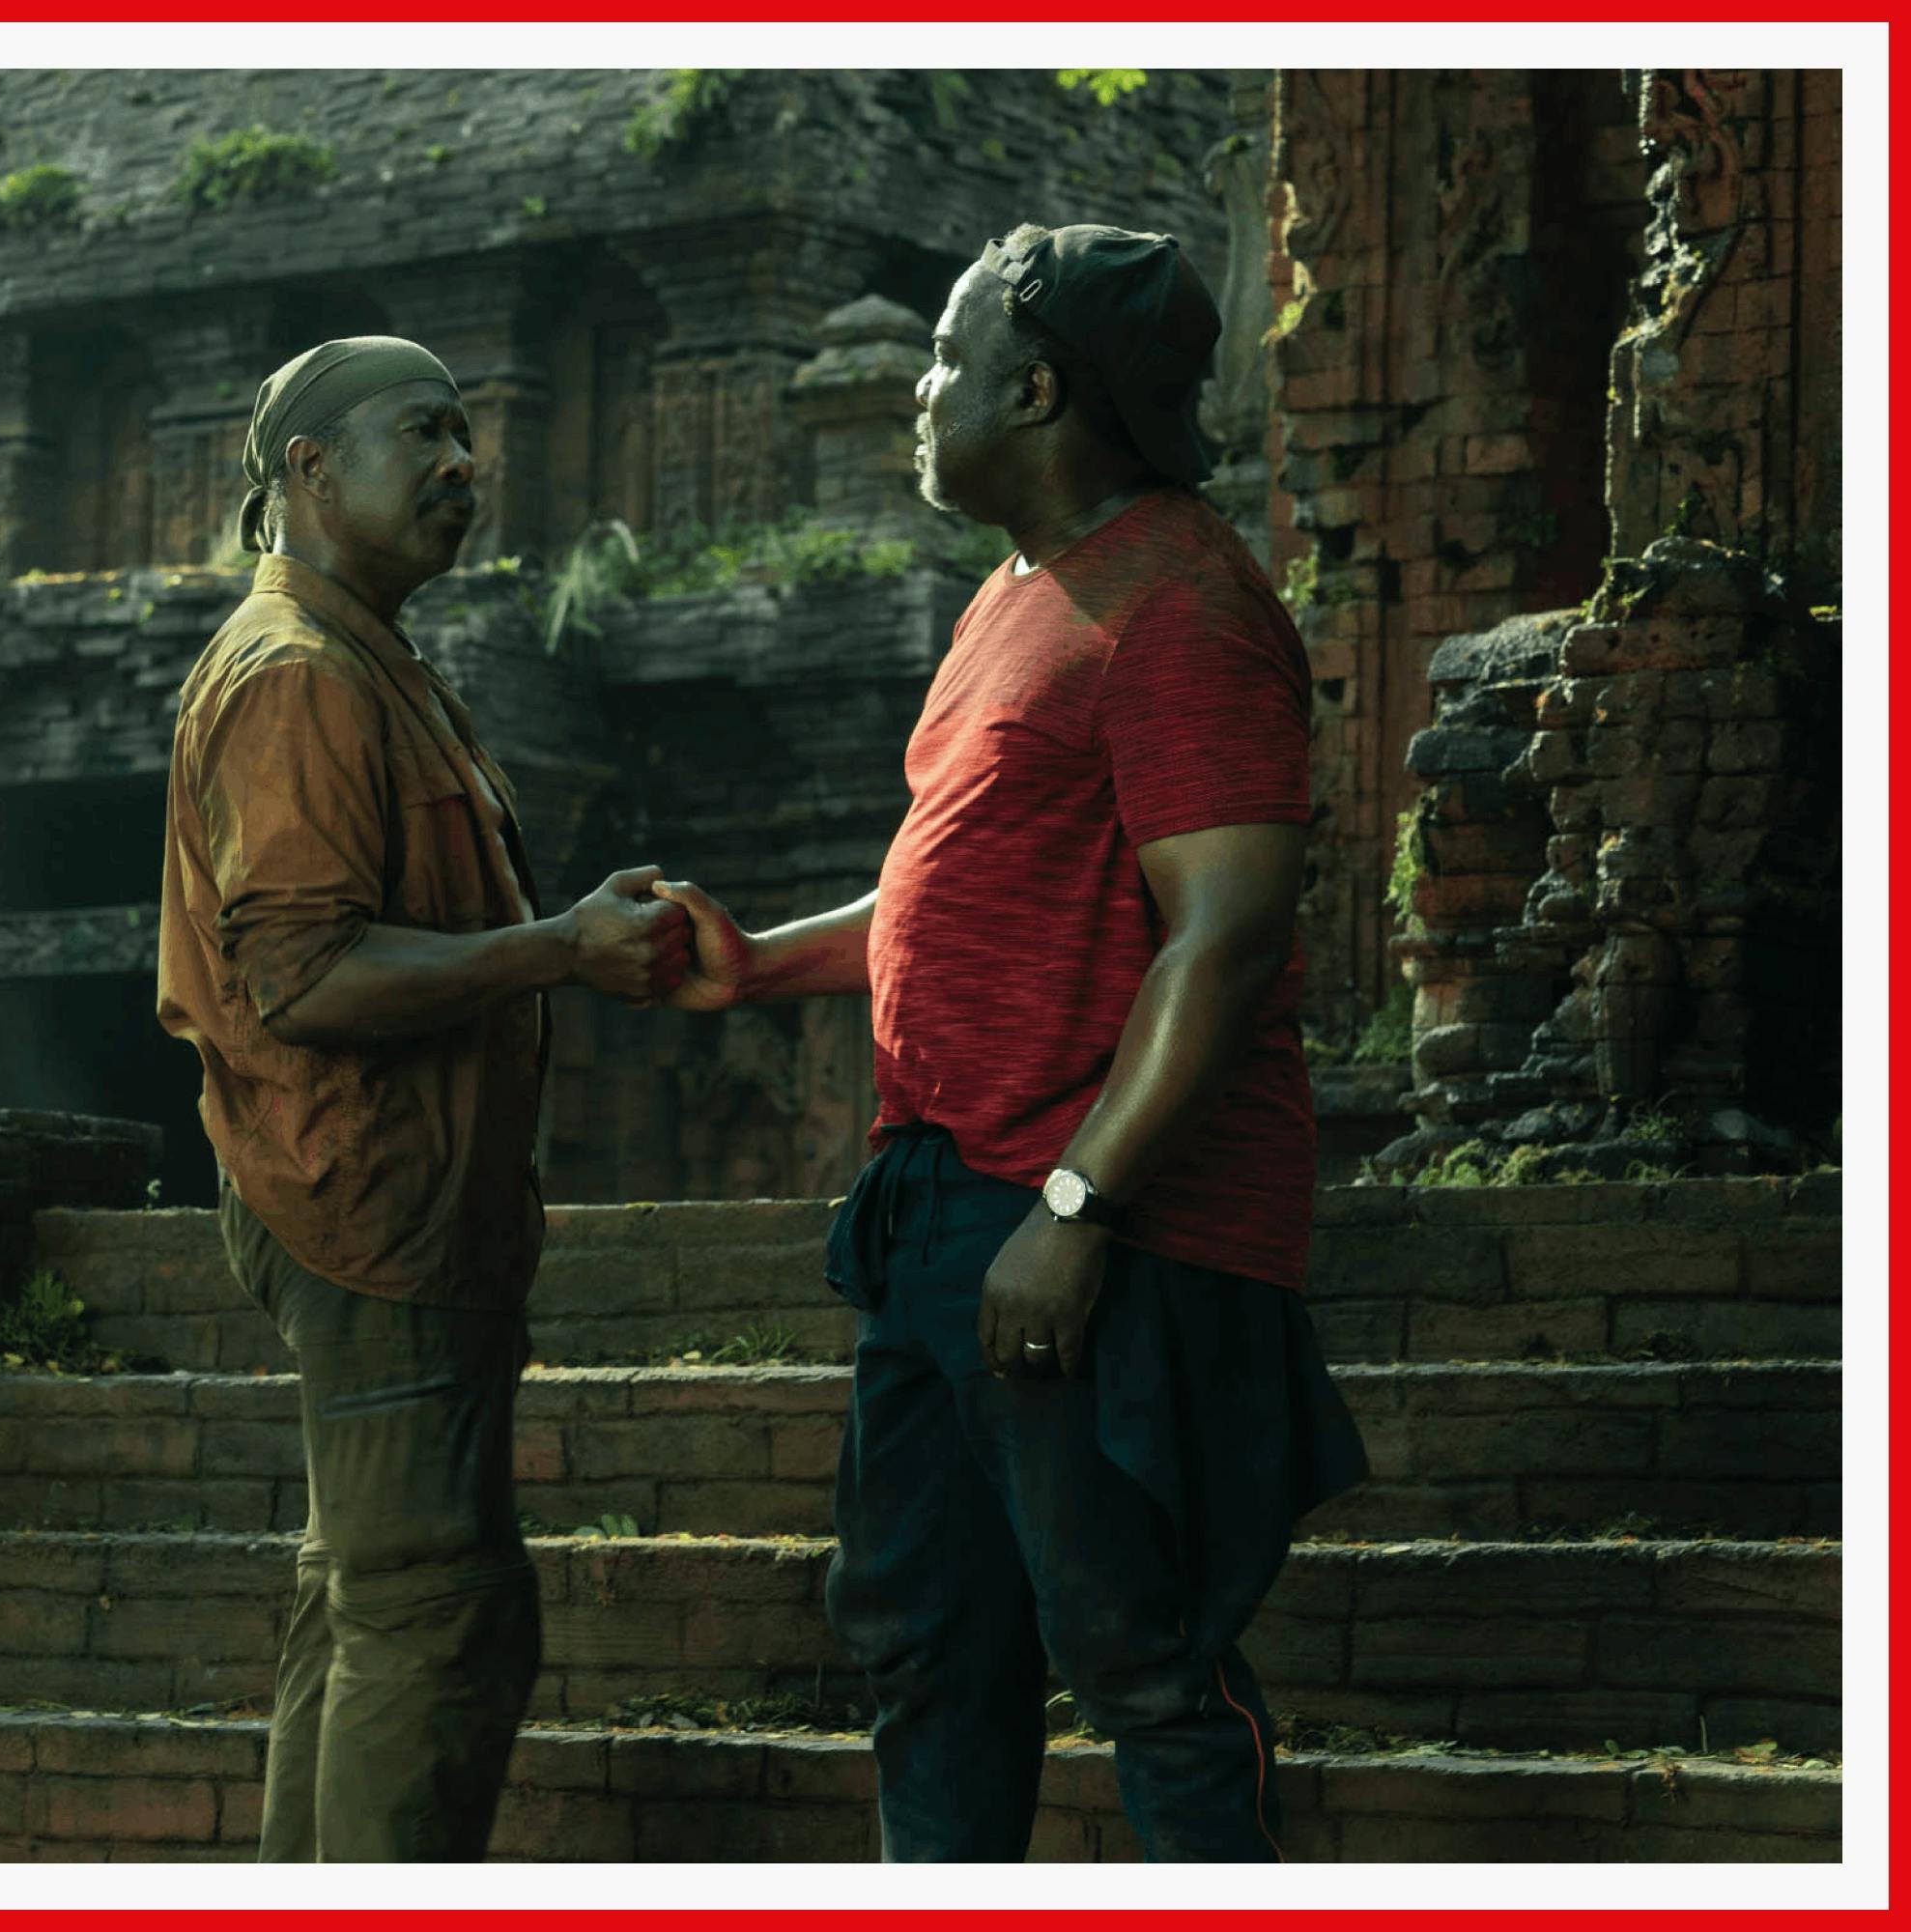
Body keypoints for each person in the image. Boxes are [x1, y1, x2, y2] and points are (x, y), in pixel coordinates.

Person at [652, 226, 1368, 1862]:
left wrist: (1076, 1207)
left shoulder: (1184, 606)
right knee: (926, 1652)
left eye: (946, 360)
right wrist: (759, 965)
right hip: (940, 1204)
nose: (918, 391)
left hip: (1105, 1225)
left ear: (1033, 390)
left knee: (1146, 1665)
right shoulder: (1019, 597)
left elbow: (1227, 934)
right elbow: (952, 892)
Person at [157, 335, 689, 1861]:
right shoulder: (298, 677)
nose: (466, 464)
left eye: (471, 435)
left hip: (401, 1202)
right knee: (435, 1617)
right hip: (364, 1204)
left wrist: (565, 930)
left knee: (370, 1602)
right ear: (309, 471)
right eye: (424, 434)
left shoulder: (368, 659)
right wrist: (557, 950)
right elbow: (302, 981)